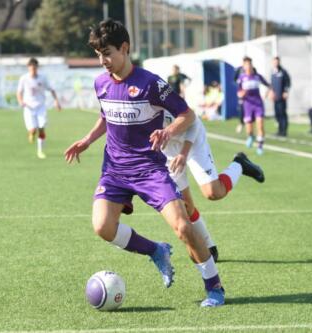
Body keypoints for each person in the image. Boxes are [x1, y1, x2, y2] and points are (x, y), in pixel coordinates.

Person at [64, 19, 225, 307]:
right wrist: (87, 140)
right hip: (114, 170)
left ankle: (214, 287)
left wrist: (167, 131)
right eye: (99, 55)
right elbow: (105, 116)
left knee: (183, 227)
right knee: (102, 227)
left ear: (125, 48)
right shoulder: (100, 83)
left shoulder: (151, 83)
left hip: (150, 170)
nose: (104, 61)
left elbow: (186, 115)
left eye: (108, 53)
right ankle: (155, 250)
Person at [162, 110, 265, 262]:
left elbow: (192, 119)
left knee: (213, 192)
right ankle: (209, 247)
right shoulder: (120, 101)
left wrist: (184, 153)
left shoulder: (157, 92)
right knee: (184, 205)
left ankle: (239, 164)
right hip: (167, 149)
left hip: (191, 139)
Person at [17, 57, 61, 159]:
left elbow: (51, 89)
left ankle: (40, 151)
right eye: (31, 67)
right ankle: (31, 133)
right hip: (28, 107)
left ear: (37, 68)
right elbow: (19, 92)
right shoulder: (24, 78)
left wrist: (56, 101)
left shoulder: (43, 78)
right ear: (28, 67)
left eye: (35, 67)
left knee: (41, 128)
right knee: (33, 130)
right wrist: (20, 101)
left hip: (40, 107)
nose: (33, 69)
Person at [236, 57, 271, 155]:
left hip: (258, 104)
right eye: (246, 64)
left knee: (260, 125)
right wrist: (241, 94)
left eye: (250, 64)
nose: (248, 66)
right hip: (247, 105)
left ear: (252, 65)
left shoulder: (257, 76)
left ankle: (260, 146)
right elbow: (238, 93)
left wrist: (266, 95)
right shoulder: (241, 78)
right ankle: (250, 136)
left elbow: (269, 85)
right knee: (249, 128)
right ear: (243, 66)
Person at [270, 56, 291, 137]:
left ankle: (284, 131)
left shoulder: (283, 72)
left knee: (282, 113)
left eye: (277, 62)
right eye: (274, 62)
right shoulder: (273, 72)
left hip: (282, 97)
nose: (275, 63)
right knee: (277, 114)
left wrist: (285, 92)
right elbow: (272, 84)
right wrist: (271, 92)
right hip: (275, 98)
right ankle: (279, 130)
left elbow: (288, 82)